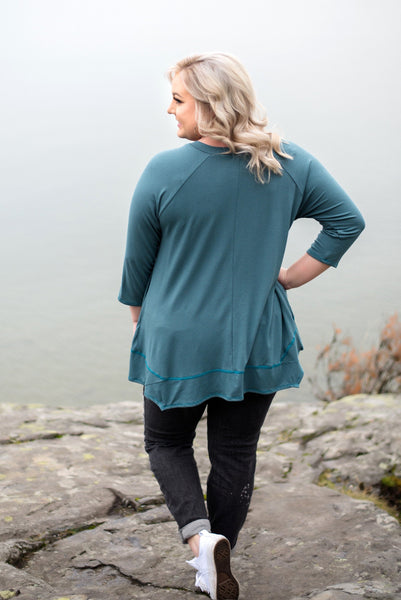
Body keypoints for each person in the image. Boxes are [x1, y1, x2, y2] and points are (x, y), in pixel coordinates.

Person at [118, 52, 365, 600]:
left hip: (179, 336)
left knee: (166, 442)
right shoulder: (289, 162)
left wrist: (141, 319)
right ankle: (215, 562)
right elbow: (347, 222)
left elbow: (138, 264)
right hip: (257, 334)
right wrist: (290, 277)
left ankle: (200, 540)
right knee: (234, 451)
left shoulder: (164, 170)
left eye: (178, 99)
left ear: (208, 104)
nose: (170, 109)